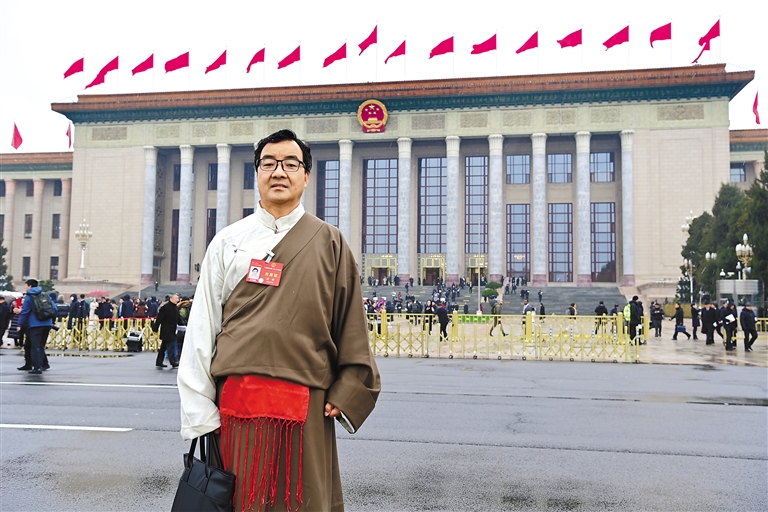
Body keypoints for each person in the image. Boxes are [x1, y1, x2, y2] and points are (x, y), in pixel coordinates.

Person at [177, 129, 380, 512]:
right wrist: (200, 410)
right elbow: (203, 327)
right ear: (257, 173)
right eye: (269, 163)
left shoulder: (330, 242)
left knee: (301, 502)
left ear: (306, 175)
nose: (279, 172)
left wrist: (349, 388)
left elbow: (351, 323)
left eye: (290, 164)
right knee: (240, 502)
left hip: (306, 405)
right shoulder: (228, 242)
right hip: (236, 408)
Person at [16, 279, 57, 374]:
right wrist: (52, 320)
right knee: (40, 346)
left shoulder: (29, 297)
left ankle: (37, 367)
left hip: (35, 324)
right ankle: (41, 364)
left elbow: (25, 312)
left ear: (30, 286)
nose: (25, 288)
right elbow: (55, 309)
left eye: (26, 286)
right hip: (47, 324)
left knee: (35, 346)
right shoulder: (45, 295)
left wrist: (19, 324)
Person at [152, 293, 180, 368]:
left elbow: (179, 319)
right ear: (171, 299)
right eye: (176, 298)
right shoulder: (165, 308)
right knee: (171, 347)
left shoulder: (176, 308)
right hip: (166, 330)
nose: (177, 300)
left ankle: (159, 361)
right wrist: (155, 328)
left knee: (163, 347)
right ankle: (173, 362)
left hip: (173, 330)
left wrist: (184, 325)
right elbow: (159, 319)